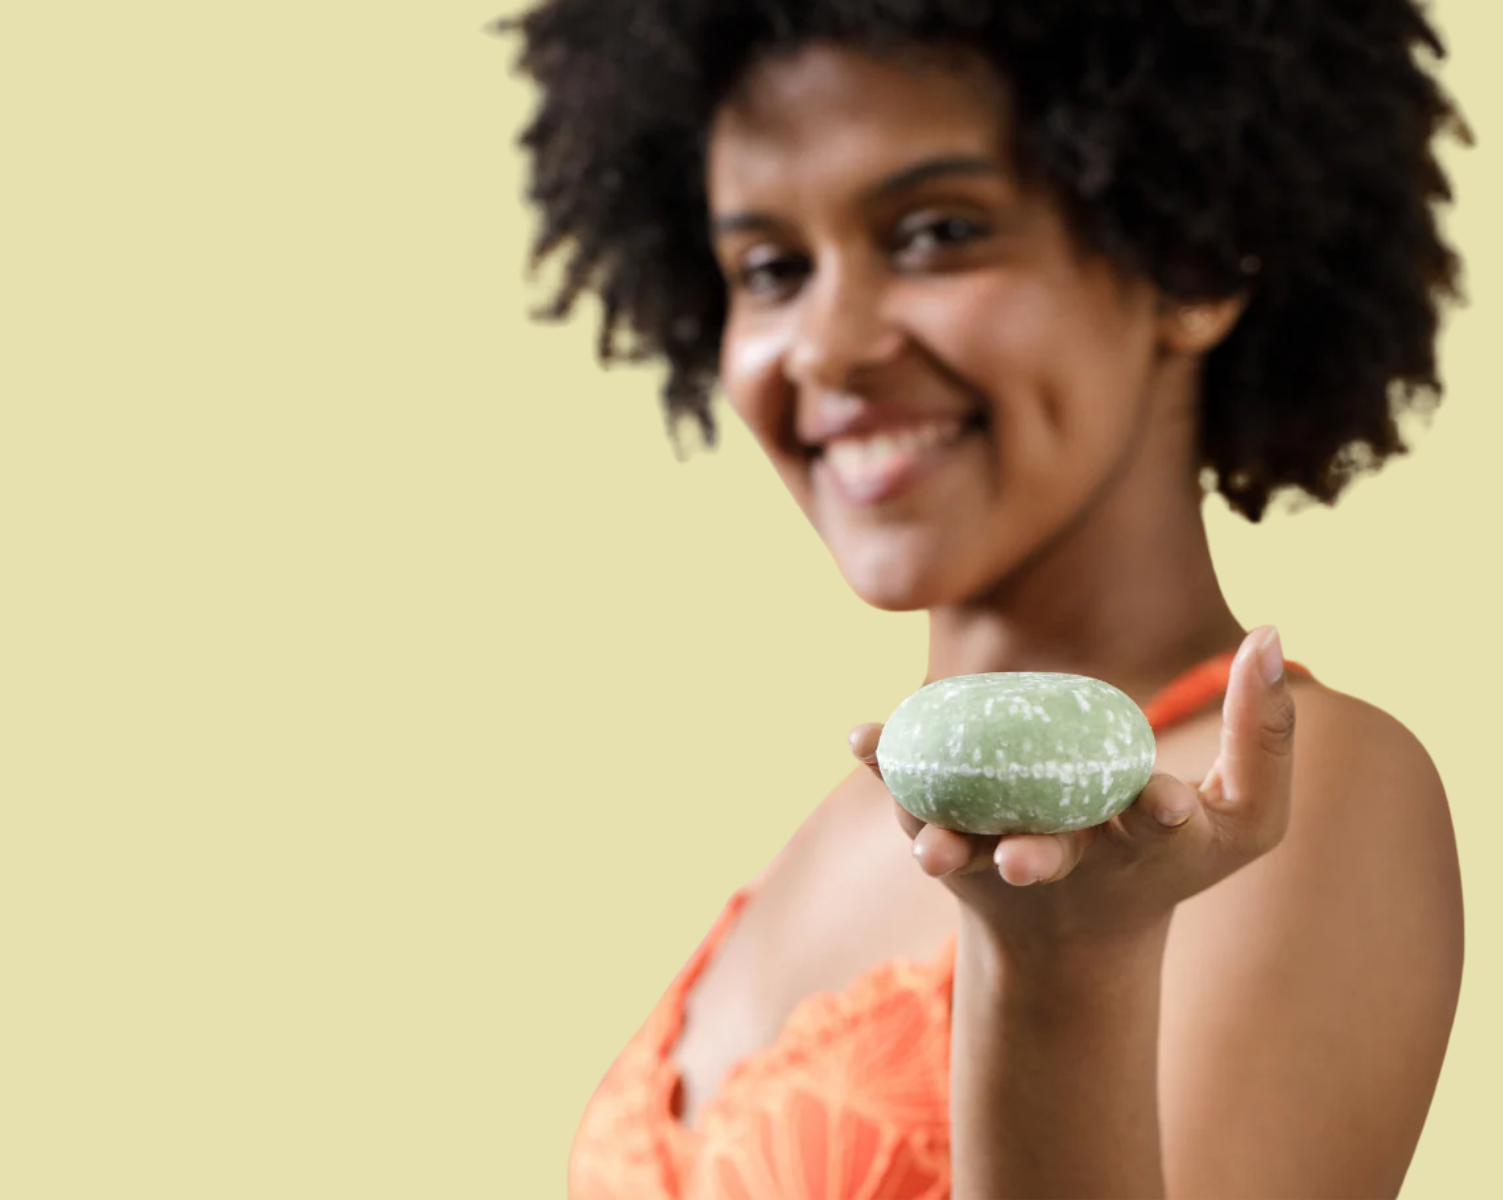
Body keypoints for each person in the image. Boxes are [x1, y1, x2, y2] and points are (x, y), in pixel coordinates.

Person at [497, 2, 1469, 1196]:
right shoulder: (836, 827)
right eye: (769, 269)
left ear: (1191, 257)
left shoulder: (1275, 800)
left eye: (935, 232)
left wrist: (1062, 977)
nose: (827, 346)